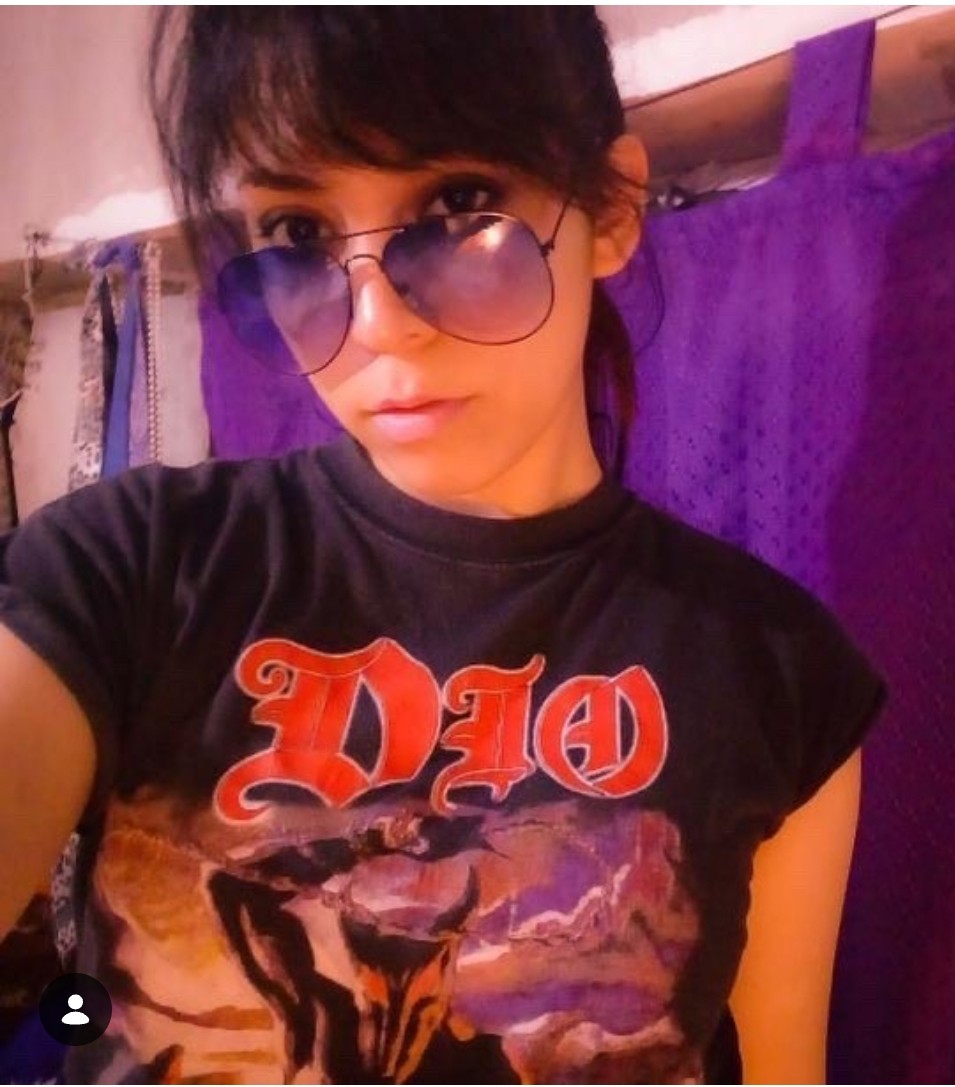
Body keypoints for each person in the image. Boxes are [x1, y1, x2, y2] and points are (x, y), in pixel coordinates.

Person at [0, 8, 883, 1084]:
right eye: (298, 233)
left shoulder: (776, 671)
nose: (377, 322)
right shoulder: (132, 567)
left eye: (459, 204)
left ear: (609, 207)